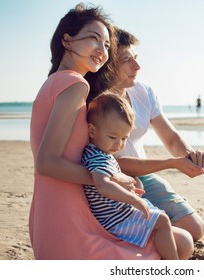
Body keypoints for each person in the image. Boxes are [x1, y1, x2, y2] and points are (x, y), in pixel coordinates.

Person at [29, 3, 161, 260]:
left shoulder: (52, 82)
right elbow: (45, 162)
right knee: (171, 247)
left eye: (107, 45)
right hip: (68, 218)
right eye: (93, 39)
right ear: (67, 40)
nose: (102, 51)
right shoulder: (75, 85)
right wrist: (109, 179)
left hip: (49, 213)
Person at [87, 27, 204, 243]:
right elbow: (112, 163)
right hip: (114, 180)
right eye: (127, 60)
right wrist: (172, 163)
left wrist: (190, 157)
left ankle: (159, 232)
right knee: (178, 237)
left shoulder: (144, 92)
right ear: (108, 64)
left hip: (144, 174)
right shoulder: (95, 103)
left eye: (136, 58)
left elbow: (170, 137)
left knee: (195, 229)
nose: (137, 66)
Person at [83, 93, 188, 259]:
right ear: (92, 130)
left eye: (124, 138)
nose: (118, 144)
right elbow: (103, 185)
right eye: (112, 137)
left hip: (118, 213)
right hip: (116, 219)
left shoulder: (99, 152)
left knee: (159, 217)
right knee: (162, 221)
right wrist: (133, 200)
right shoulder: (98, 158)